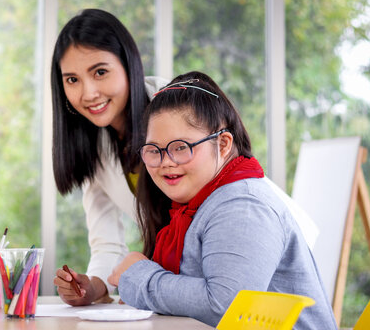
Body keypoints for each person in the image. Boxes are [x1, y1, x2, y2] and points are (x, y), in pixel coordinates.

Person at [107, 71, 337, 329]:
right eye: (154, 151)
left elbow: (226, 307)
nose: (166, 162)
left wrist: (139, 275)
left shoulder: (243, 206)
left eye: (181, 147)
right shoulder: (193, 206)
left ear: (224, 144)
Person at [50, 8, 168, 305]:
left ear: (129, 65)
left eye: (100, 72)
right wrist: (92, 288)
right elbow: (107, 244)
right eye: (72, 80)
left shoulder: (173, 107)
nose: (88, 93)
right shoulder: (96, 145)